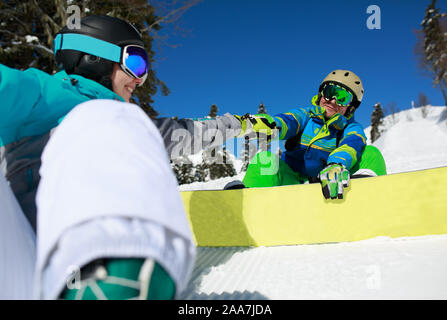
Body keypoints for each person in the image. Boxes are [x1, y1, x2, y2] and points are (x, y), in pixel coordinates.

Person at [0, 15, 245, 300]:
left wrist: (243, 123)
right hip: (21, 269)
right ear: (94, 57)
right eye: (136, 63)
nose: (139, 79)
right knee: (104, 113)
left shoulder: (130, 126)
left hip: (56, 282)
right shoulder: (41, 94)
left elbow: (189, 133)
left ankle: (117, 276)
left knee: (116, 115)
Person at [234, 70, 387, 199]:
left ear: (351, 108)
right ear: (321, 95)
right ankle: (249, 202)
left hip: (331, 181)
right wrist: (265, 125)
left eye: (342, 98)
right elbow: (287, 121)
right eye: (329, 93)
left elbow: (352, 144)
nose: (332, 100)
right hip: (292, 181)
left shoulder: (351, 127)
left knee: (370, 153)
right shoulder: (307, 115)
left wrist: (336, 164)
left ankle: (368, 196)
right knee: (265, 159)